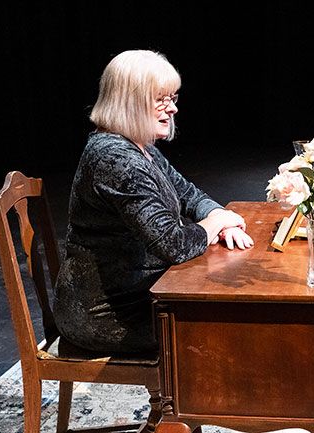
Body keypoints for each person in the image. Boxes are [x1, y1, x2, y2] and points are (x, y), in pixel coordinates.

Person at [54, 50, 254, 353]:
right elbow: (173, 245)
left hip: (139, 294)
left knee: (234, 309)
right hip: (106, 314)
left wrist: (219, 217)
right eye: (160, 99)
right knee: (226, 326)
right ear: (129, 100)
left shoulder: (138, 147)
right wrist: (215, 223)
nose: (172, 108)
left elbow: (187, 193)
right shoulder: (115, 158)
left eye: (172, 98)